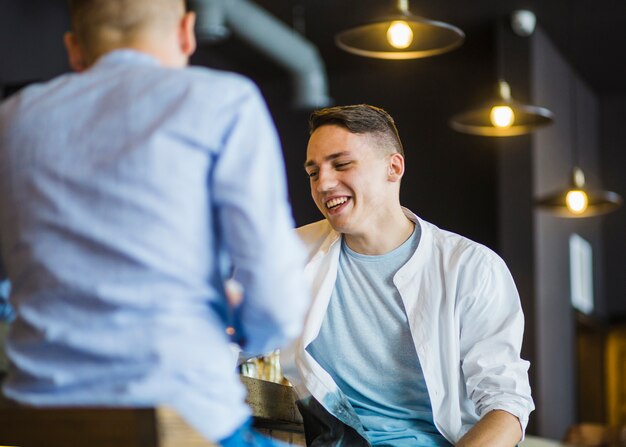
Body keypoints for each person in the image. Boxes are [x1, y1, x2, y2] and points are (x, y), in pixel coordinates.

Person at [0, 0, 310, 445]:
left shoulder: (12, 121)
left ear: (74, 49)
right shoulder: (225, 101)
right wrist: (234, 316)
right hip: (182, 413)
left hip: (38, 419)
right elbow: (277, 304)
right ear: (187, 32)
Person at [280, 104, 534, 446]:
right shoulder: (290, 254)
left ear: (393, 167)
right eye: (313, 172)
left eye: (341, 164)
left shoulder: (471, 267)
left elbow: (506, 406)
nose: (323, 183)